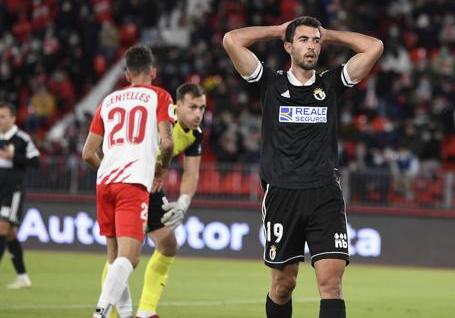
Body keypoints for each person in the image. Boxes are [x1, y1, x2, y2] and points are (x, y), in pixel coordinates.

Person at [223, 16, 383, 318]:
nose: (311, 46)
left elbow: (374, 47)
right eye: (303, 40)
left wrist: (330, 34)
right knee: (284, 284)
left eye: (315, 41)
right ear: (288, 46)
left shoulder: (330, 85)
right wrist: (276, 29)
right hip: (283, 194)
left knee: (331, 284)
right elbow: (231, 40)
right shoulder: (270, 83)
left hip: (325, 194)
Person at [82, 45, 175, 318]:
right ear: (153, 72)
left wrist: (107, 170)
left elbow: (87, 152)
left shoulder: (108, 101)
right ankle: (99, 313)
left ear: (126, 74)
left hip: (105, 182)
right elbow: (167, 142)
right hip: (132, 184)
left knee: (114, 259)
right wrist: (162, 168)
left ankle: (124, 315)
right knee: (130, 257)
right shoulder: (159, 95)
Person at [112, 82, 205, 318]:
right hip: (129, 182)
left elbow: (192, 173)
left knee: (168, 244)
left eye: (202, 108)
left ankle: (146, 311)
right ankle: (109, 313)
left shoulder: (195, 134)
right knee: (125, 255)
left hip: (151, 187)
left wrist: (183, 202)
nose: (198, 114)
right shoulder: (162, 118)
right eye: (192, 107)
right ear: (178, 106)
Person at [0, 101, 40, 289]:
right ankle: (23, 277)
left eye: (3, 117)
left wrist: (13, 157)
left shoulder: (22, 138)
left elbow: (35, 160)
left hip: (12, 191)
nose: (0, 120)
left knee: (2, 227)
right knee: (10, 234)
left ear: (13, 118)